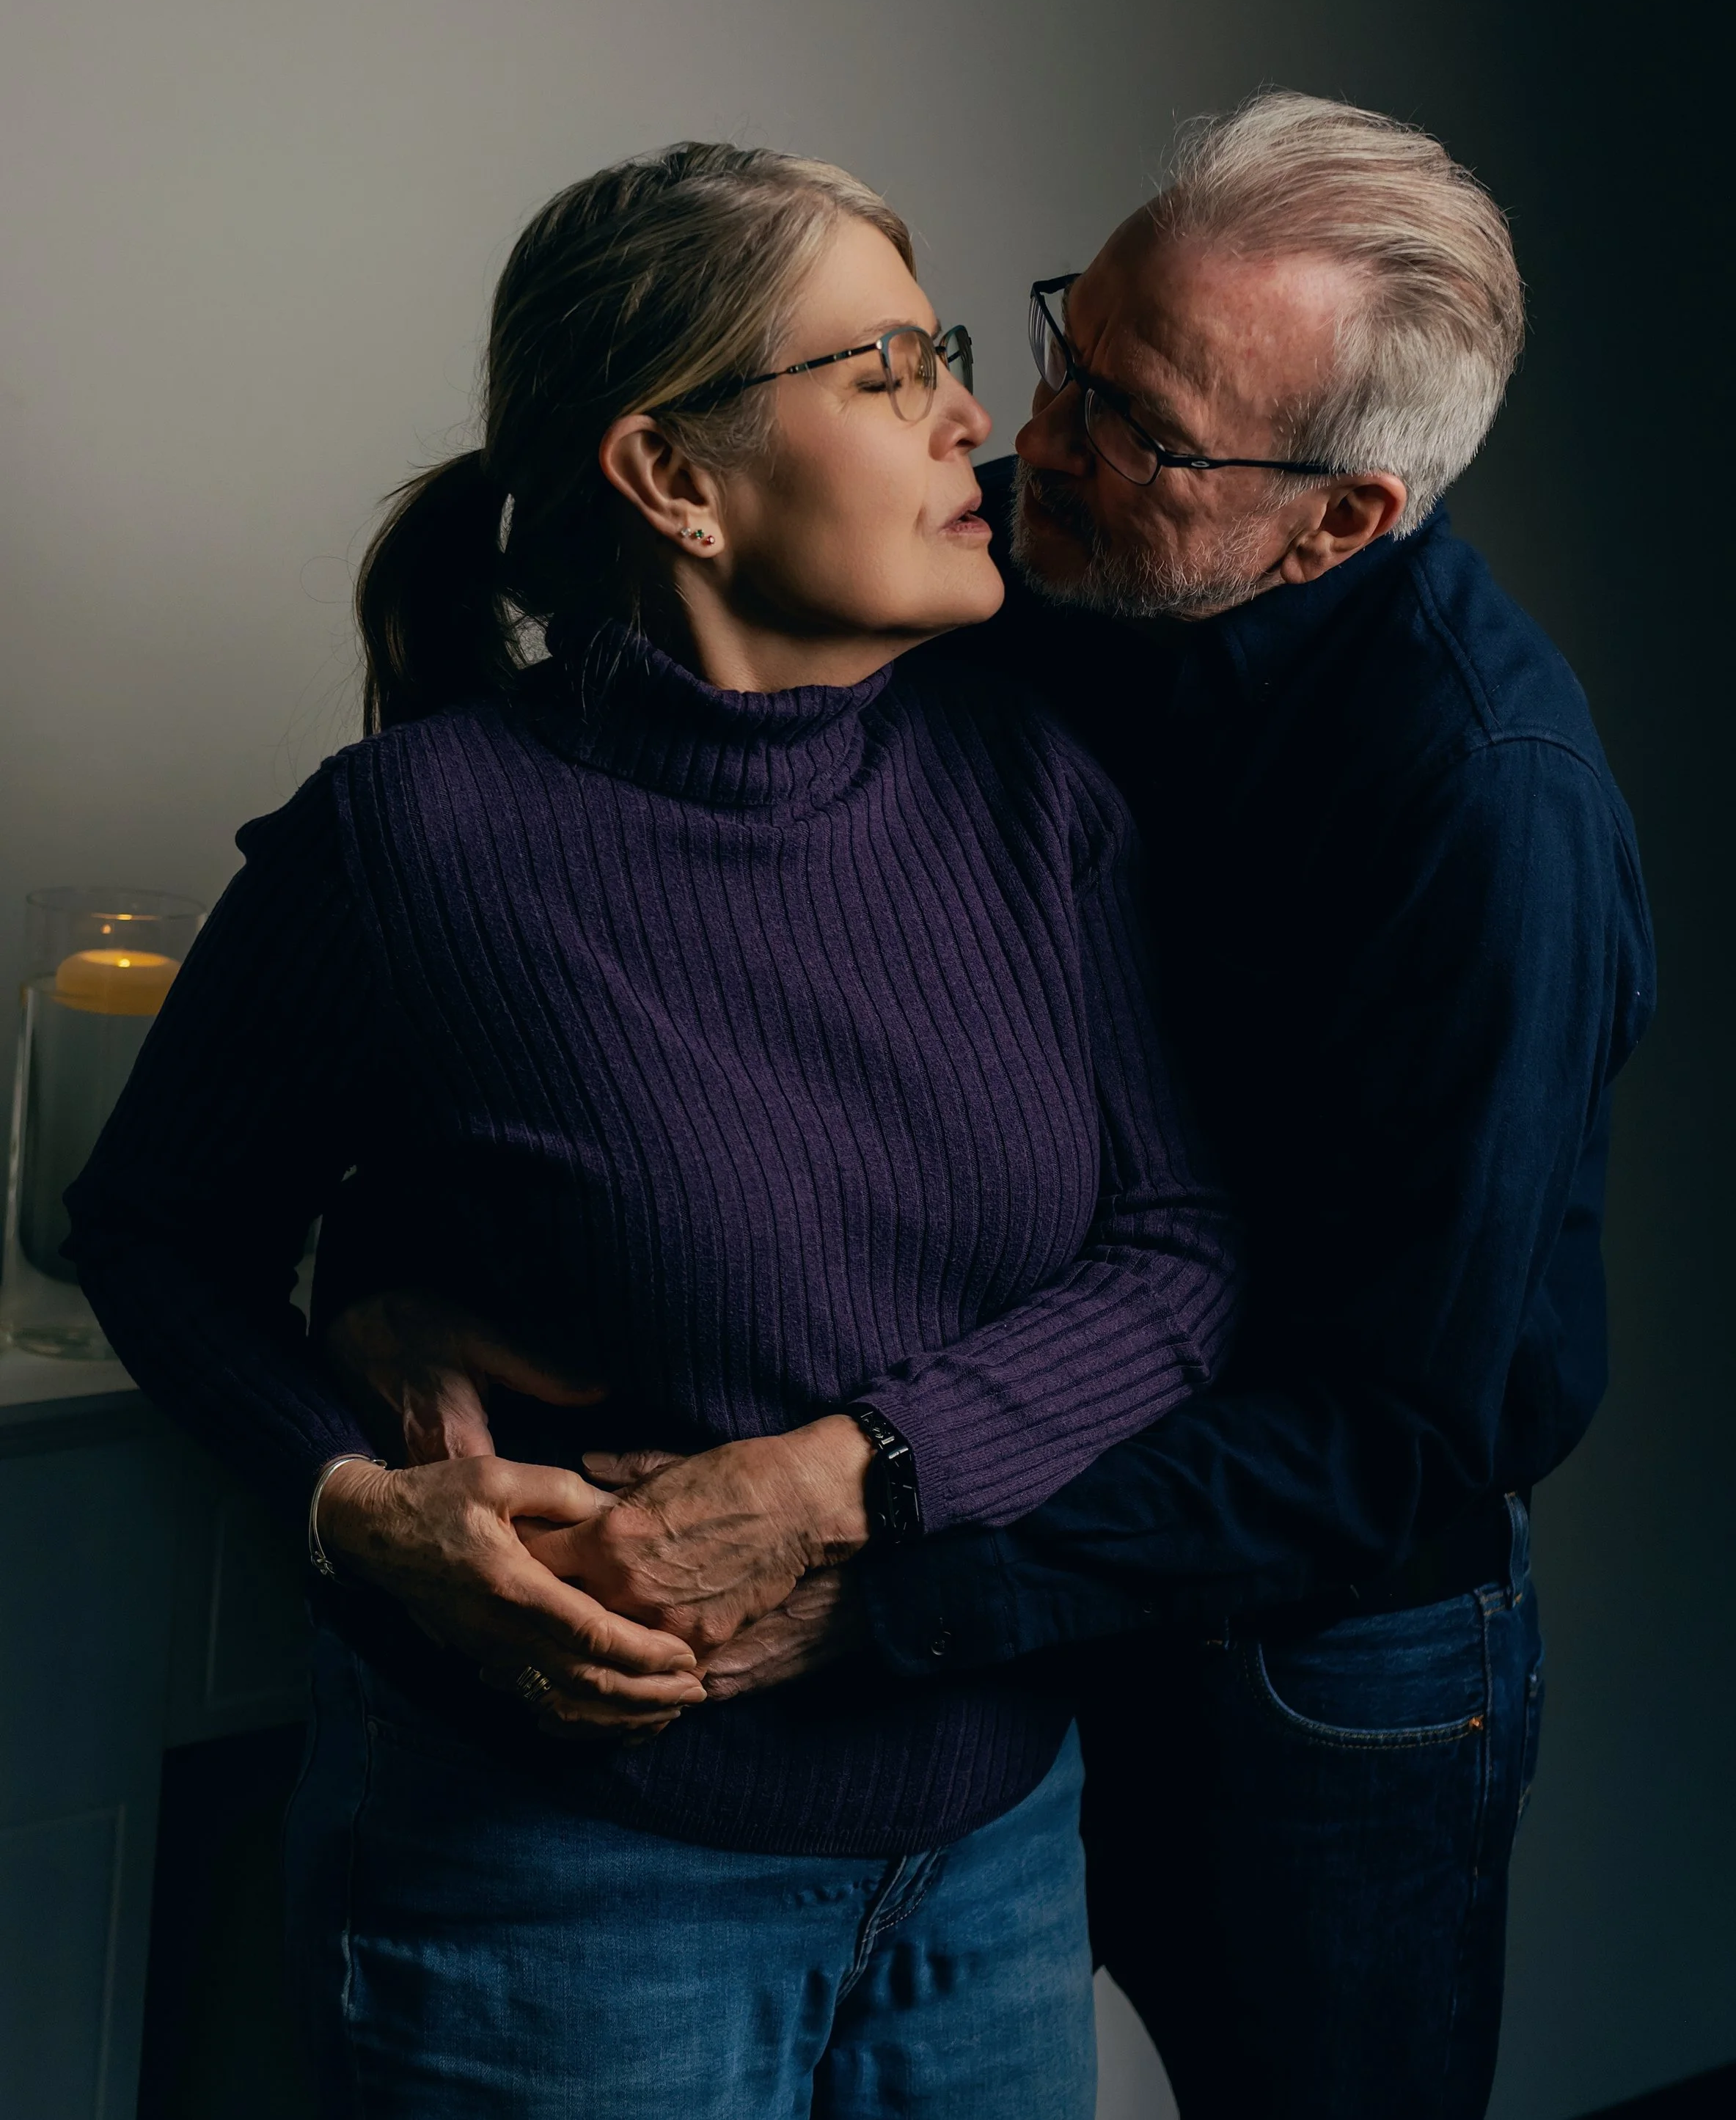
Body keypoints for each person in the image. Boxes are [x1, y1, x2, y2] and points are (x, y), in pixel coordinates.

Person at [322, 94, 1655, 2120]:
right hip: (976, 1578)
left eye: (1137, 427)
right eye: (1063, 354)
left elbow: (1389, 1425)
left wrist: (873, 1552)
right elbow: (627, 1016)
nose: (1032, 437)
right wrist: (389, 1277)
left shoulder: (1486, 807)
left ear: (1338, 520)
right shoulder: (1005, 579)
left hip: (1309, 1638)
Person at [65, 142, 1245, 2120]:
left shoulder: (1034, 786)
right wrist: (363, 1510)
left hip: (996, 1849)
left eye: (941, 351)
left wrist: (850, 1471)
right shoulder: (411, 841)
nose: (974, 415)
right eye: (884, 367)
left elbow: (1181, 1248)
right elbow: (157, 1231)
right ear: (674, 478)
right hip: (562, 1890)